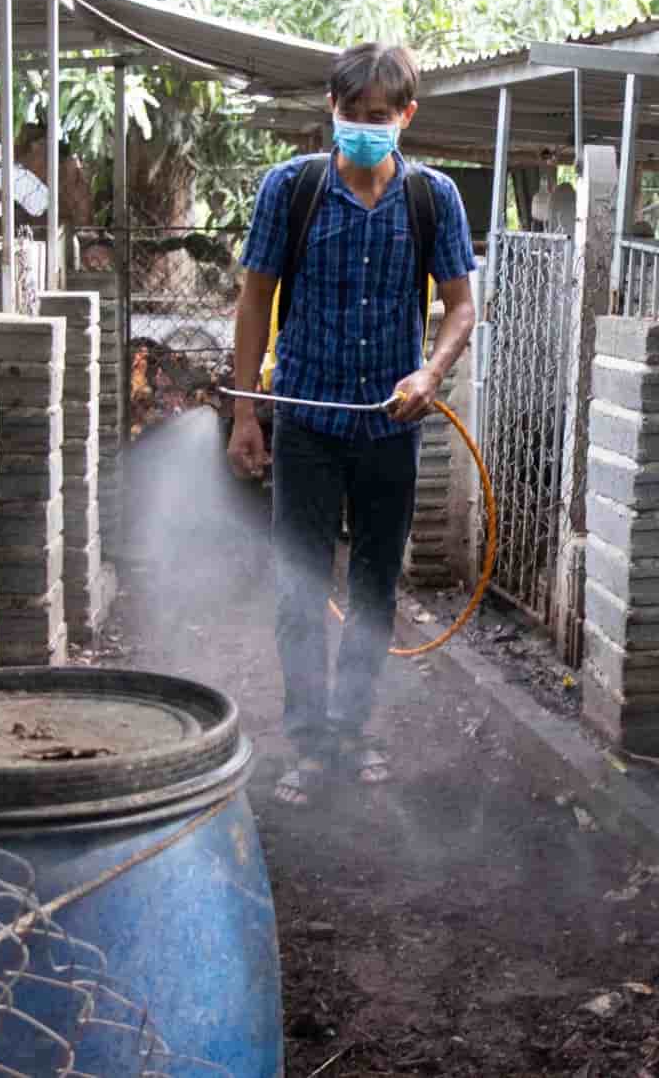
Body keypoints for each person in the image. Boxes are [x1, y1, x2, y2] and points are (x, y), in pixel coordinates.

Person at [228, 43, 477, 808]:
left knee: (373, 586)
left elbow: (461, 305)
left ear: (405, 117)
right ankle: (308, 740)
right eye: (349, 115)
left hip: (390, 426)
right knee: (300, 589)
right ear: (329, 111)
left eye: (378, 117)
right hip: (304, 421)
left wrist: (428, 375)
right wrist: (247, 412)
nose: (362, 129)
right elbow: (253, 300)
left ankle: (354, 726)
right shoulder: (291, 189)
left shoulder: (432, 198)